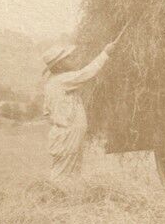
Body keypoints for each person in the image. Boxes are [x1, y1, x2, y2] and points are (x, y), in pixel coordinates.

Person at [41, 39, 119, 181]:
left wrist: (62, 120)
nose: (72, 58)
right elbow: (86, 73)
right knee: (62, 176)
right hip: (67, 135)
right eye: (67, 57)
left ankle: (64, 194)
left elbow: (47, 114)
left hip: (64, 135)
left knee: (70, 174)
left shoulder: (51, 83)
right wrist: (105, 53)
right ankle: (54, 194)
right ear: (59, 65)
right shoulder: (62, 80)